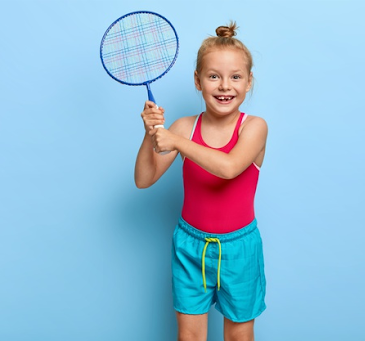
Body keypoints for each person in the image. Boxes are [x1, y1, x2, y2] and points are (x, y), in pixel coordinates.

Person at [134, 21, 267, 341]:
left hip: (239, 248)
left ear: (249, 82)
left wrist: (177, 143)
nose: (225, 86)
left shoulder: (255, 128)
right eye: (213, 76)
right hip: (189, 246)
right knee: (190, 336)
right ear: (198, 81)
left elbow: (229, 168)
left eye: (235, 77)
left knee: (238, 335)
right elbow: (143, 178)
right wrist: (149, 134)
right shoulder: (183, 127)